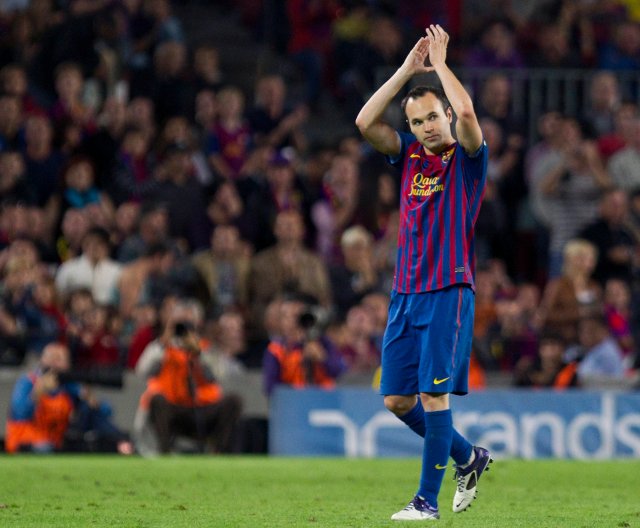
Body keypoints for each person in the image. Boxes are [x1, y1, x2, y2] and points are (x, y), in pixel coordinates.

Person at [355, 25, 492, 521]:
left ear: (447, 116)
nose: (428, 127)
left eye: (434, 116)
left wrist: (440, 66)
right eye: (418, 122)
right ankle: (468, 457)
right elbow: (364, 120)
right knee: (395, 398)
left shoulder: (467, 160)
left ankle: (425, 502)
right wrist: (408, 72)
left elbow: (471, 115)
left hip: (448, 290)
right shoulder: (409, 156)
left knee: (433, 395)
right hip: (405, 294)